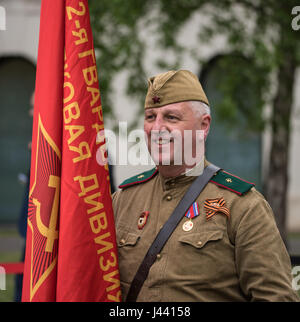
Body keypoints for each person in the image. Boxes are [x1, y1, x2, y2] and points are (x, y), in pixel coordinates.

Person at [112, 70, 299, 302]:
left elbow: (276, 298)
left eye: (171, 117)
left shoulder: (243, 206)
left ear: (203, 126)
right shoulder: (122, 200)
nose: (157, 128)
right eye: (151, 117)